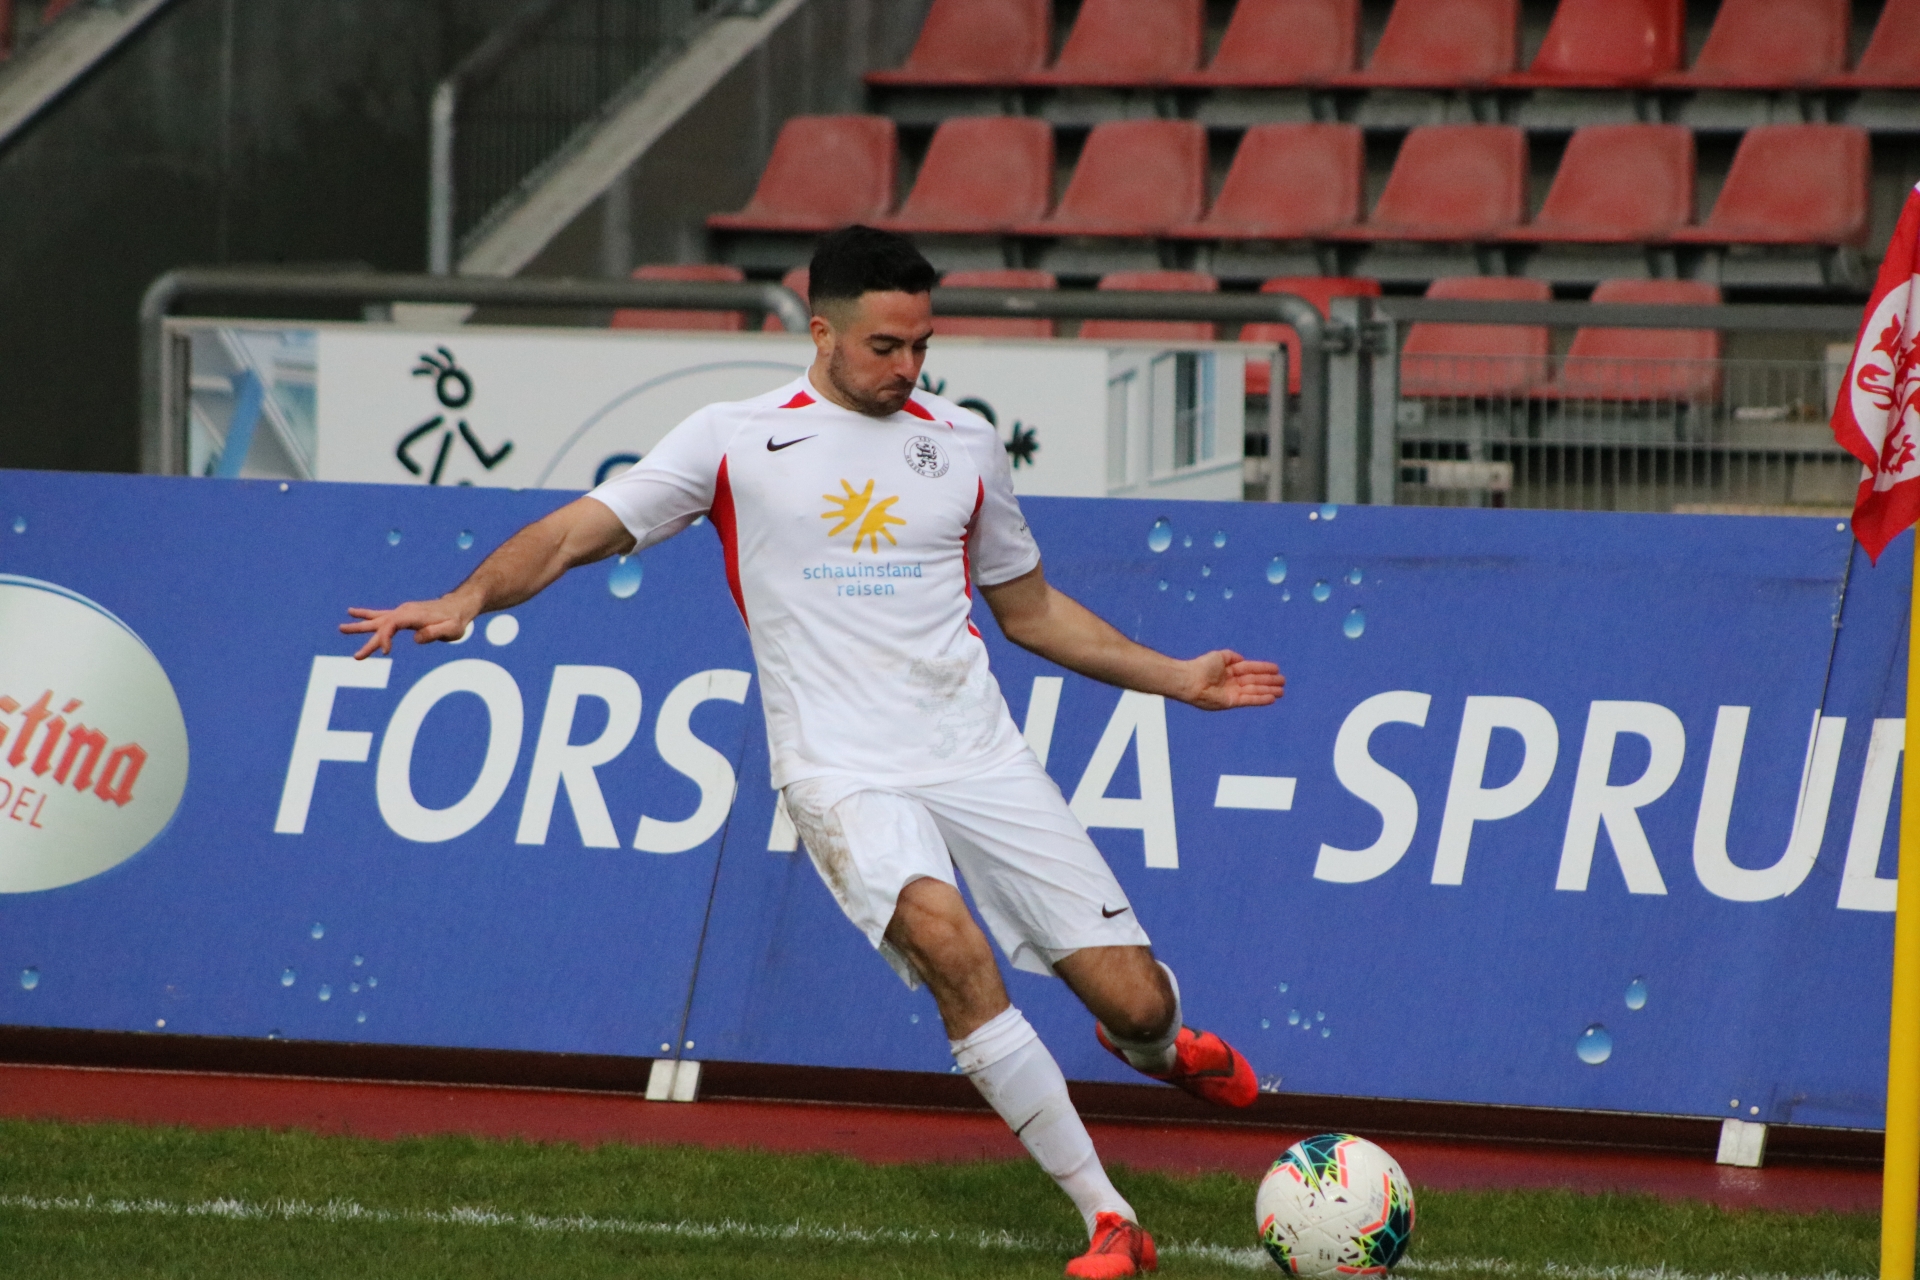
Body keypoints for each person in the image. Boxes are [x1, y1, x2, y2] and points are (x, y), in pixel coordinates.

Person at [343, 225, 1284, 1279]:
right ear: (822, 330)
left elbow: (1028, 611)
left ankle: (1153, 1046)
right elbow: (571, 533)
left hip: (977, 754)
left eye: (921, 345)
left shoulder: (966, 444)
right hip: (840, 771)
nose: (907, 366)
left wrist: (1176, 676)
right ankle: (1110, 1216)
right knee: (953, 952)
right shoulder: (733, 439)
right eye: (885, 346)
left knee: (1136, 998)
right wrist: (469, 596)